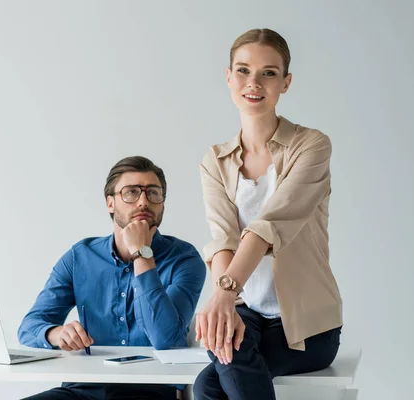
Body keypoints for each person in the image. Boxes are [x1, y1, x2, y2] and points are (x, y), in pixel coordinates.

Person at [194, 28, 343, 400]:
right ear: (228, 77)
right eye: (243, 71)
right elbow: (223, 238)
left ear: (285, 82)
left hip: (307, 327)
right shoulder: (215, 160)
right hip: (246, 312)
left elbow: (270, 226)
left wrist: (224, 293)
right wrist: (224, 301)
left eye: (269, 73)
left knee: (209, 385)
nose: (254, 83)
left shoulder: (311, 146)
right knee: (209, 379)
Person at [18, 156, 206, 400]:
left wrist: (141, 254)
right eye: (131, 192)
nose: (143, 201)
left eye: (153, 193)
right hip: (82, 391)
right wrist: (57, 333)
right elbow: (30, 326)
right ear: (110, 203)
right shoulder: (80, 257)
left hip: (151, 393)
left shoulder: (184, 259)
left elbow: (166, 340)